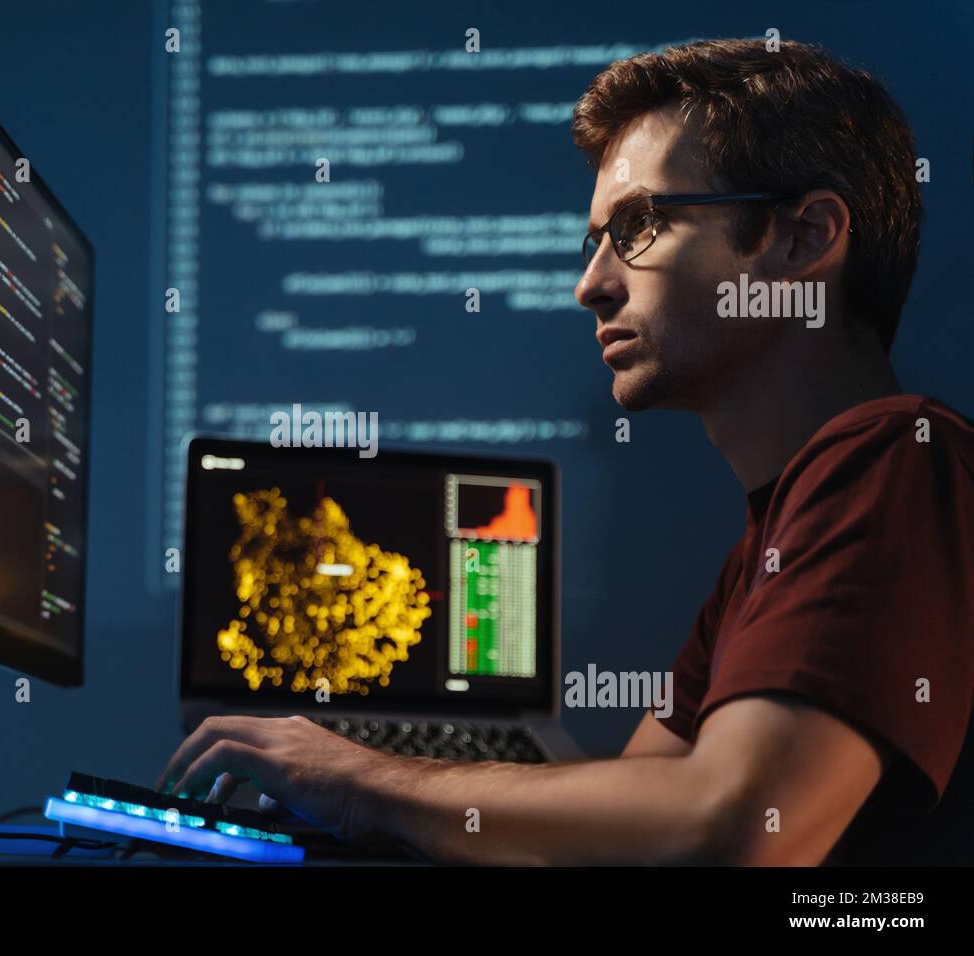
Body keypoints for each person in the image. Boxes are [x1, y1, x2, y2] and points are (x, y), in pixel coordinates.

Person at [157, 39, 974, 865]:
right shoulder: (761, 553)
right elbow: (624, 835)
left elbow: (728, 824)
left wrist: (360, 778)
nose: (591, 284)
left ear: (804, 238)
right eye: (595, 242)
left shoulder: (899, 458)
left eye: (639, 225)